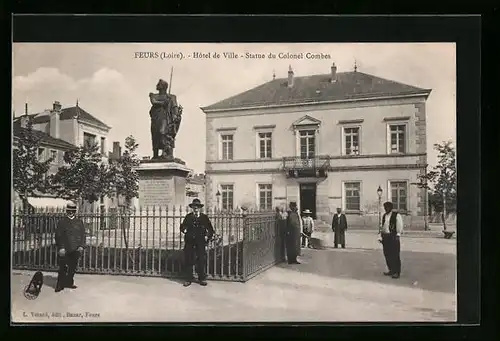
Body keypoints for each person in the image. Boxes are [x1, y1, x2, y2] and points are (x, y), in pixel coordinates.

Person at [180, 198, 215, 287]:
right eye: (194, 207)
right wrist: (184, 230)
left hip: (200, 241)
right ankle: (188, 279)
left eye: (197, 207)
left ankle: (202, 278)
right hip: (190, 241)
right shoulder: (188, 216)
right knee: (189, 259)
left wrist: (208, 236)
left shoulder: (204, 217)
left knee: (201, 259)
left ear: (200, 208)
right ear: (192, 208)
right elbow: (183, 227)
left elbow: (210, 229)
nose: (196, 208)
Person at [54, 202, 86, 292]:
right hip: (65, 248)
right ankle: (60, 285)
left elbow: (83, 235)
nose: (71, 212)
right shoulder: (62, 222)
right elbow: (58, 236)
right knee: (62, 267)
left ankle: (69, 283)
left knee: (72, 267)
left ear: (75, 211)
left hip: (76, 248)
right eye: (69, 211)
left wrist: (81, 246)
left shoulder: (79, 222)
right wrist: (61, 248)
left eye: (72, 211)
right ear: (66, 211)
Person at [149, 79, 183, 159]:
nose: (157, 85)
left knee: (163, 132)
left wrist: (176, 115)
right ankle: (155, 154)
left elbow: (174, 107)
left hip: (165, 117)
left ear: (164, 86)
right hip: (155, 118)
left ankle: (166, 152)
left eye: (159, 84)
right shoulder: (153, 95)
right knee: (155, 134)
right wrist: (163, 103)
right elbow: (153, 102)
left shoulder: (171, 97)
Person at [380, 201, 404, 279]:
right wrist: (382, 237)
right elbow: (383, 226)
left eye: (387, 208)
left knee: (395, 255)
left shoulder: (396, 215)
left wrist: (398, 234)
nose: (386, 209)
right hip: (386, 237)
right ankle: (391, 270)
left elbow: (400, 225)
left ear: (391, 208)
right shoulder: (384, 216)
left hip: (393, 237)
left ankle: (397, 272)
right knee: (387, 255)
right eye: (385, 208)